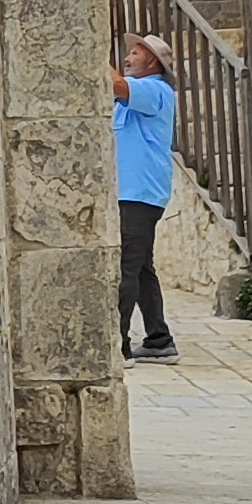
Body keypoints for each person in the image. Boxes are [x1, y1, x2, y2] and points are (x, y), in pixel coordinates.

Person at [112, 35, 179, 359]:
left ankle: (118, 344)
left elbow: (117, 86)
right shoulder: (136, 96)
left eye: (135, 54)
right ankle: (158, 339)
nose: (127, 58)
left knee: (126, 265)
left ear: (152, 62)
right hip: (132, 191)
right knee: (140, 267)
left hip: (140, 192)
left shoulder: (156, 90)